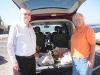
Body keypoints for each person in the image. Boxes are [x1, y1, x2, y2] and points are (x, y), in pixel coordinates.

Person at [7, 7, 36, 75]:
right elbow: (10, 45)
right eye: (25, 14)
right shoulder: (15, 27)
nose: (27, 16)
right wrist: (14, 61)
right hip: (21, 61)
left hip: (32, 60)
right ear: (20, 15)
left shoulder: (31, 28)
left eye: (29, 14)